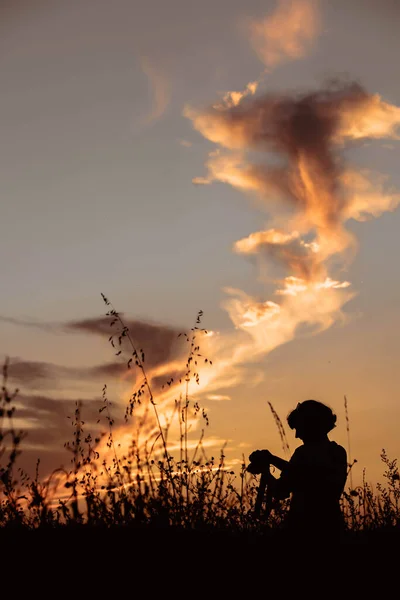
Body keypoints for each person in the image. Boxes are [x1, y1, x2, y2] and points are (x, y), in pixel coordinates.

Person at [248, 400, 348, 542]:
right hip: (332, 527)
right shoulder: (337, 452)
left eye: (298, 428)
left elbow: (283, 489)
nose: (297, 435)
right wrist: (272, 460)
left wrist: (266, 471)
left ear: (310, 426)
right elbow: (302, 474)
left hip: (302, 529)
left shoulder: (303, 454)